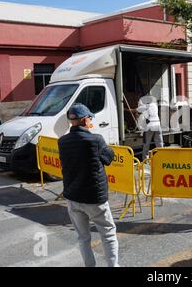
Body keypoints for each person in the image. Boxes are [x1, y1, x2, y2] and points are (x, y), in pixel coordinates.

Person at [58, 104, 119, 267]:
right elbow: (108, 158)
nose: (91, 121)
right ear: (85, 120)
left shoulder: (62, 141)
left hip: (73, 196)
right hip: (94, 197)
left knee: (83, 238)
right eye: (90, 118)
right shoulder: (96, 139)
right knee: (108, 234)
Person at [137, 95, 164, 161]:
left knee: (146, 143)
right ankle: (162, 157)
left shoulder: (146, 106)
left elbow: (137, 110)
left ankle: (145, 159)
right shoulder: (154, 105)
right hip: (158, 125)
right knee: (159, 143)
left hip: (150, 127)